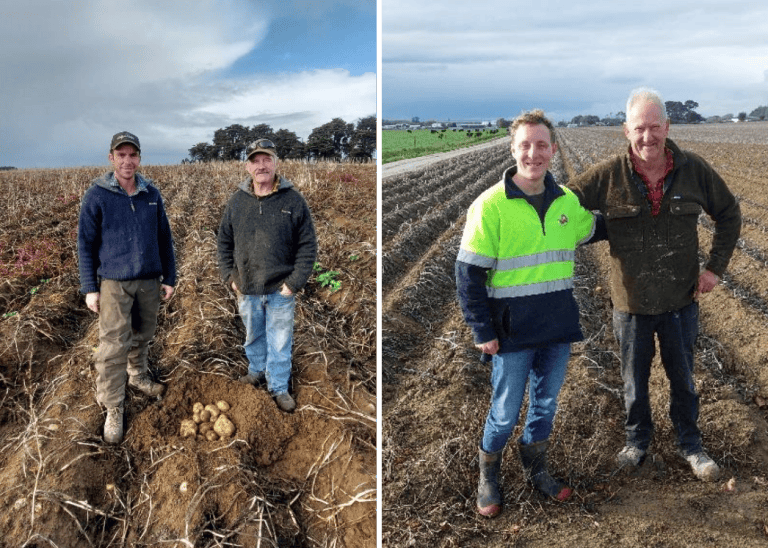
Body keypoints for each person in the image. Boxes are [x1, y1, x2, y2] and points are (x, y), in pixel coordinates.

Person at [567, 88, 741, 482]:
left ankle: (691, 445)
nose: (648, 137)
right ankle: (637, 442)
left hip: (681, 300)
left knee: (683, 378)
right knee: (634, 380)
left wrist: (714, 269)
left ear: (667, 126)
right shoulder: (608, 176)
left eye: (654, 127)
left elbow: (729, 213)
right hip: (630, 305)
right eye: (639, 128)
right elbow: (565, 204)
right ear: (626, 130)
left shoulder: (694, 169)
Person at [456, 110, 603, 517]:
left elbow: (594, 229)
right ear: (513, 149)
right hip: (511, 334)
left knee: (545, 405)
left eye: (541, 145)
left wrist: (643, 215)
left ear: (553, 150)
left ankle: (537, 468)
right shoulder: (490, 206)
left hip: (556, 327)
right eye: (525, 144)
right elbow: (468, 275)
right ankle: (488, 475)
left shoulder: (566, 201)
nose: (533, 153)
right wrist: (481, 329)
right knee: (504, 413)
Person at [78, 131, 176, 445]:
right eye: (121, 155)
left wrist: (170, 277)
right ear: (111, 158)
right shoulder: (97, 195)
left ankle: (138, 375)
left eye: (132, 155)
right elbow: (85, 244)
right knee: (112, 345)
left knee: (143, 334)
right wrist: (90, 287)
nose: (127, 161)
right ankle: (113, 406)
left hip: (149, 280)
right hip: (114, 283)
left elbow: (165, 238)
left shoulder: (151, 194)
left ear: (139, 158)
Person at [217, 138, 317, 413]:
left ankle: (278, 387)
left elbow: (308, 245)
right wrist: (230, 277)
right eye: (255, 160)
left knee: (280, 340)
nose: (261, 166)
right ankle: (257, 370)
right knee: (253, 335)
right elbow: (224, 242)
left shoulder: (293, 200)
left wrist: (293, 283)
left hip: (280, 288)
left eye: (267, 159)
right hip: (247, 287)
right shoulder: (237, 202)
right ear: (247, 166)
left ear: (275, 163)